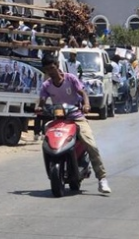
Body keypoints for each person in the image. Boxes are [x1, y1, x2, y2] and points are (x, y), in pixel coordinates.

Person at [37, 55, 112, 194]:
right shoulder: (46, 85)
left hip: (76, 117)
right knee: (46, 141)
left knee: (91, 144)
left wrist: (87, 104)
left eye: (52, 68)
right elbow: (41, 101)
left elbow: (82, 92)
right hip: (58, 119)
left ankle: (102, 179)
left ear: (57, 65)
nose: (51, 72)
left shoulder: (70, 78)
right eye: (47, 70)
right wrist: (38, 108)